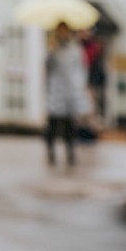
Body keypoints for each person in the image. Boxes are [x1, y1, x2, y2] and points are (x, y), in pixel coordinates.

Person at [45, 22, 89, 167]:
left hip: (71, 92)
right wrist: (50, 52)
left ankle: (70, 154)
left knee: (70, 126)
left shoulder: (75, 50)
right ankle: (51, 152)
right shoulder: (53, 48)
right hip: (55, 91)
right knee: (53, 125)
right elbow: (47, 67)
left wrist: (79, 89)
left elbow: (81, 69)